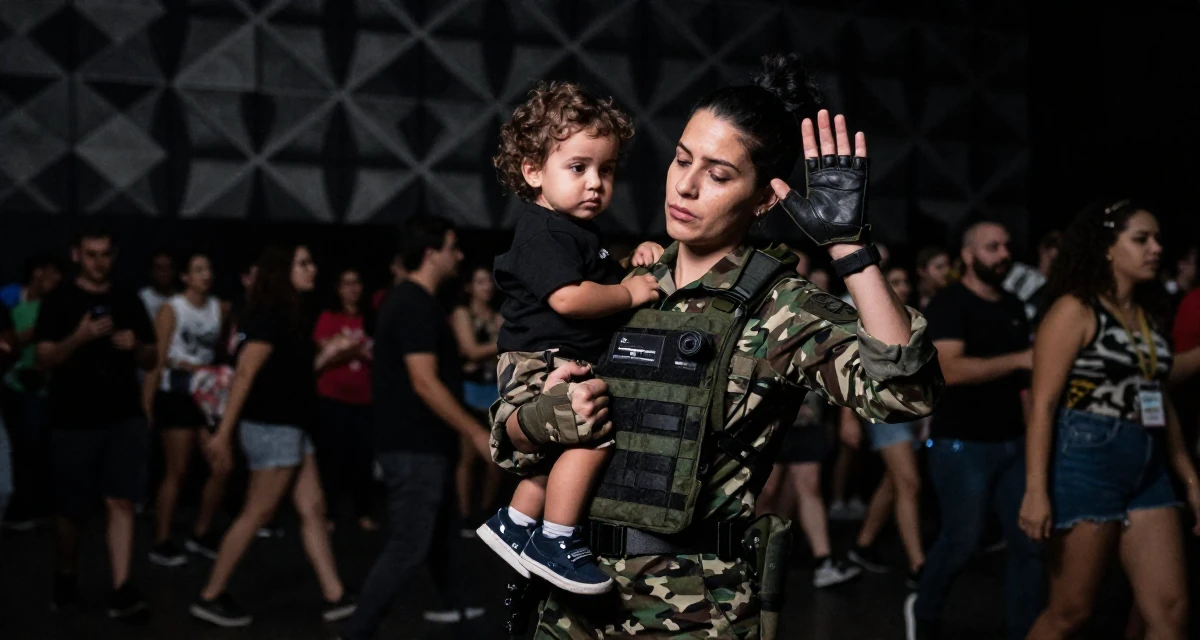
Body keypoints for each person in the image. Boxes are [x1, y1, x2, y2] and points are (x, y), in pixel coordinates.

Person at [490, 54, 942, 639]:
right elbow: (511, 436)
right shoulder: (624, 284)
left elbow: (905, 393)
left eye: (719, 175)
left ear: (763, 199)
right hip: (570, 605)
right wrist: (545, 414)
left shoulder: (778, 307)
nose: (686, 185)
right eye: (682, 159)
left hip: (691, 612)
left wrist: (849, 250)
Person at [475, 80, 659, 597]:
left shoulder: (575, 233)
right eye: (578, 167)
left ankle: (515, 523)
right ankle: (555, 539)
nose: (596, 182)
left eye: (607, 169)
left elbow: (594, 280)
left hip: (553, 357)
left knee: (556, 454)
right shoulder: (545, 231)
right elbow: (569, 299)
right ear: (533, 171)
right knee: (590, 436)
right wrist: (629, 292)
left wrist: (631, 262)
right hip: (541, 360)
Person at [1019, 200, 1200, 640]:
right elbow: (1043, 405)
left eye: (1157, 239)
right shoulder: (1074, 310)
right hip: (1086, 458)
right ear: (1106, 247)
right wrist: (1036, 491)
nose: (1156, 248)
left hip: (1148, 462)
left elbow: (1158, 395)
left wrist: (1191, 480)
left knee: (1171, 612)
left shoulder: (1146, 317)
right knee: (1071, 612)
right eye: (1141, 239)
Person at [191, 245, 357, 628]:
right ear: (283, 271)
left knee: (312, 507)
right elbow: (245, 374)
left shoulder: (292, 314)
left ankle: (334, 594)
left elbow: (293, 378)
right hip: (272, 427)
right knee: (258, 511)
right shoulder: (269, 315)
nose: (312, 269)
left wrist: (330, 355)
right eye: (304, 263)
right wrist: (223, 434)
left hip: (292, 426)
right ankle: (210, 595)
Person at [342, 217, 492, 639]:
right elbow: (424, 382)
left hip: (425, 445)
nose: (458, 255)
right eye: (452, 247)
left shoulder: (419, 302)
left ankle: (457, 610)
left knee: (441, 537)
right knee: (409, 545)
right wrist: (475, 432)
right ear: (430, 254)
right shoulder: (413, 304)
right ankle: (356, 633)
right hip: (413, 447)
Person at [906, 221, 1044, 640]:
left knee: (1028, 543)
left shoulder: (1013, 305)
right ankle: (925, 610)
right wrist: (1019, 358)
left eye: (1007, 246)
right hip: (962, 443)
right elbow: (949, 369)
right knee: (962, 540)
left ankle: (1025, 631)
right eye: (992, 247)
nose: (1004, 254)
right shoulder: (950, 303)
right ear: (968, 255)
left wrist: (1033, 437)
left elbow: (1025, 385)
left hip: (1013, 443)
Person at [33, 227, 157, 618]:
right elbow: (43, 359)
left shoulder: (128, 300)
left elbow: (152, 357)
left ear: (114, 256)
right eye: (91, 254)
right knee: (72, 509)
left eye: (104, 254)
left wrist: (136, 346)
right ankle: (66, 574)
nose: (98, 262)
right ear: (76, 255)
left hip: (122, 414)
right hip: (73, 417)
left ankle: (121, 588)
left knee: (121, 500)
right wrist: (79, 337)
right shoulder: (59, 301)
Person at [144, 253, 230, 566]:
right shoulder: (173, 309)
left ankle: (200, 532)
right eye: (198, 269)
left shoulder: (219, 308)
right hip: (176, 395)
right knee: (177, 470)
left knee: (222, 466)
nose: (206, 274)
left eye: (208, 268)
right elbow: (156, 360)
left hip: (205, 395)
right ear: (185, 277)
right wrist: (147, 405)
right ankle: (162, 540)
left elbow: (221, 350)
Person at [846, 266, 925, 587]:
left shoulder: (911, 316)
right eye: (895, 282)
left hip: (911, 412)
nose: (903, 287)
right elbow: (849, 368)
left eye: (906, 281)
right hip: (883, 410)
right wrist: (847, 418)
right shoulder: (868, 316)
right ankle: (919, 566)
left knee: (894, 481)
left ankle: (862, 545)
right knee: (909, 482)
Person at [756, 392, 861, 588]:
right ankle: (756, 557)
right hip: (767, 418)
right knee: (766, 490)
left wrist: (845, 416)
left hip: (807, 418)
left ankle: (823, 562)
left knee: (810, 488)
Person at [313, 267, 377, 533]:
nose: (352, 288)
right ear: (338, 289)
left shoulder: (370, 319)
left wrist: (346, 349)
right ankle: (330, 513)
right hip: (333, 397)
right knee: (333, 458)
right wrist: (354, 352)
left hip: (364, 398)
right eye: (346, 284)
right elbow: (323, 354)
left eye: (356, 282)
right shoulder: (329, 318)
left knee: (362, 458)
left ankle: (363, 511)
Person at [1, 253, 62, 529]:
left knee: (38, 447)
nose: (57, 278)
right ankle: (19, 509)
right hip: (13, 383)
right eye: (53, 272)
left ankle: (34, 505)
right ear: (38, 272)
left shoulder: (55, 305)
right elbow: (10, 340)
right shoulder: (10, 298)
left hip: (45, 385)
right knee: (20, 446)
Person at [451, 265, 504, 535]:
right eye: (480, 281)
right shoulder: (462, 313)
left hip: (494, 393)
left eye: (488, 281)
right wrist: (501, 345)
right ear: (469, 286)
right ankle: (464, 514)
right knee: (468, 457)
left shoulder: (498, 316)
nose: (487, 287)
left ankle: (485, 511)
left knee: (496, 458)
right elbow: (470, 350)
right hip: (469, 393)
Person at [1004, 231, 1062, 322]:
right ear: (1041, 249)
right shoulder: (1018, 270)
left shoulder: (1054, 289)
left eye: (1055, 260)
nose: (1051, 263)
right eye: (1049, 256)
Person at [139, 251, 177, 321]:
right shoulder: (142, 298)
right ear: (152, 272)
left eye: (166, 268)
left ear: (173, 271)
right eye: (159, 268)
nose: (163, 272)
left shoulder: (182, 299)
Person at [915, 246, 951, 311]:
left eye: (948, 266)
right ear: (922, 271)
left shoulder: (951, 296)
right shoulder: (912, 297)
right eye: (939, 267)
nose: (946, 271)